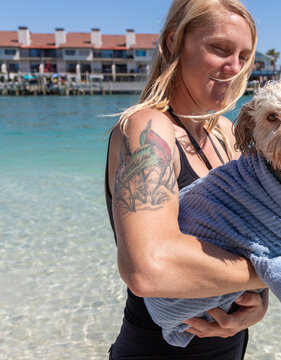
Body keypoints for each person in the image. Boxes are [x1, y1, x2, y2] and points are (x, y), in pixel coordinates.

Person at [104, 0, 268, 358]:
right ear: (172, 42)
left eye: (244, 56)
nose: (235, 67)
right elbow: (148, 269)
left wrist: (259, 303)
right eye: (220, 49)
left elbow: (254, 237)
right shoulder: (148, 128)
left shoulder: (227, 133)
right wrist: (272, 274)